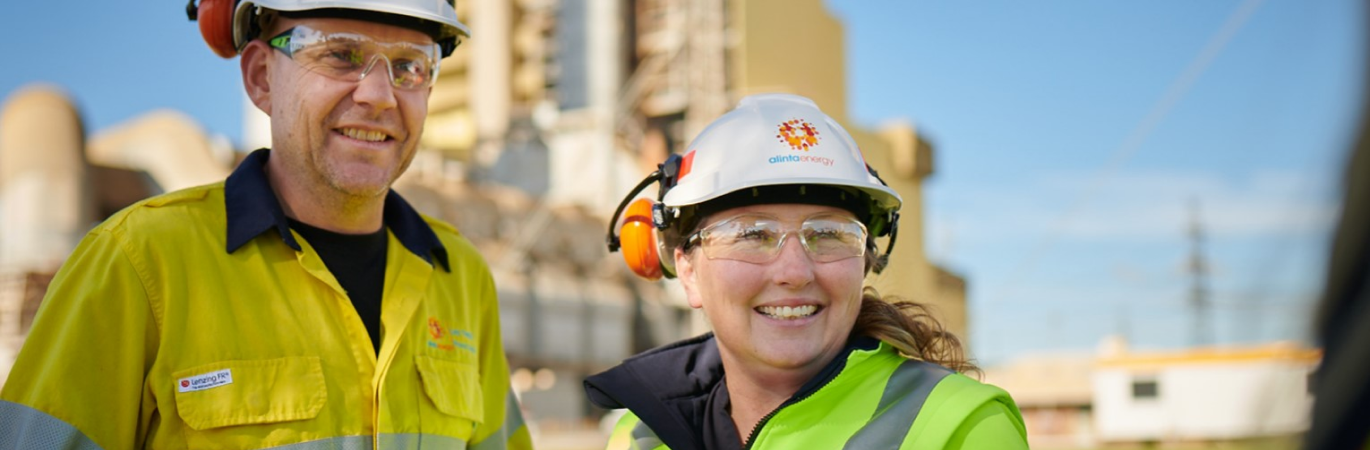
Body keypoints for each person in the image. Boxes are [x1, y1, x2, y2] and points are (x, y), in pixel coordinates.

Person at [0, 1, 531, 448]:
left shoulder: (459, 276)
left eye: (410, 66)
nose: (379, 95)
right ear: (260, 77)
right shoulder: (138, 262)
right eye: (341, 54)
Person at [585, 94, 1029, 450]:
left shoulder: (960, 428)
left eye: (829, 234)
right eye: (752, 234)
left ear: (865, 261)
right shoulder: (637, 437)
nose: (795, 271)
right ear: (687, 270)